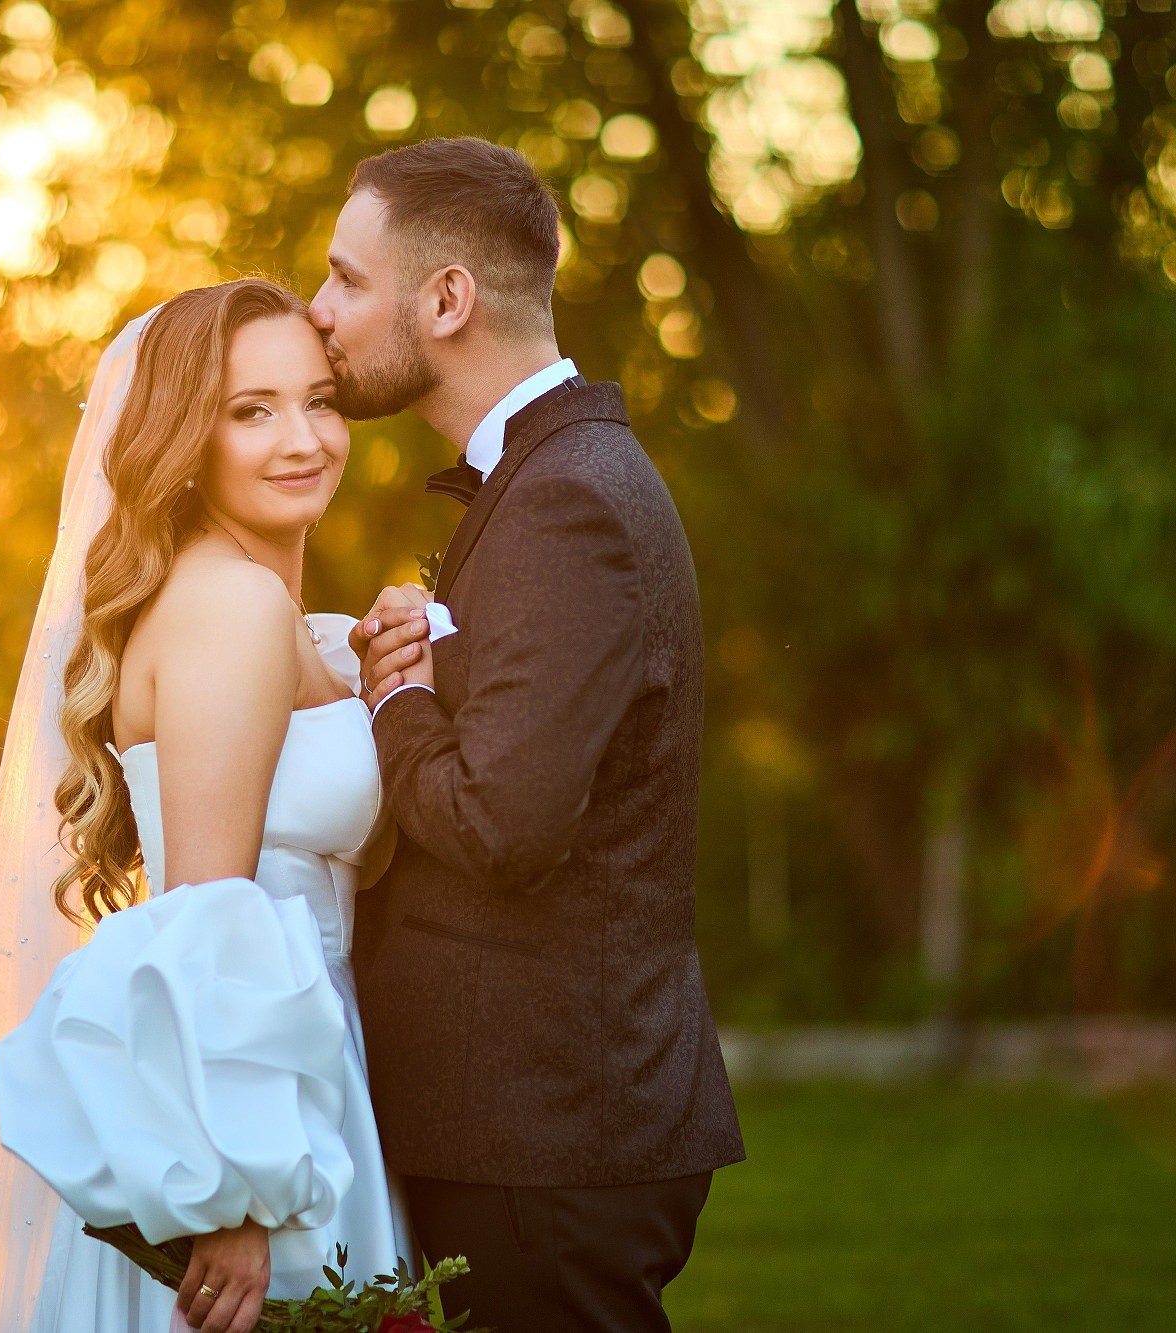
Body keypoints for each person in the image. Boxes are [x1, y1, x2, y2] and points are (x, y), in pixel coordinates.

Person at [0, 279, 409, 1333]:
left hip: (304, 1071)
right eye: (251, 409)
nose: (304, 438)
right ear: (186, 434)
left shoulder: (257, 608)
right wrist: (233, 1197)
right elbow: (207, 909)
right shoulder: (225, 605)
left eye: (318, 400)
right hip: (252, 1112)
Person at [310, 137, 746, 1333]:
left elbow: (503, 825)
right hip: (526, 1130)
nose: (320, 311)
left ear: (445, 298)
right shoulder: (549, 477)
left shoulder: (569, 497)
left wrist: (396, 694)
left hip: (550, 1138)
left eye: (347, 279)